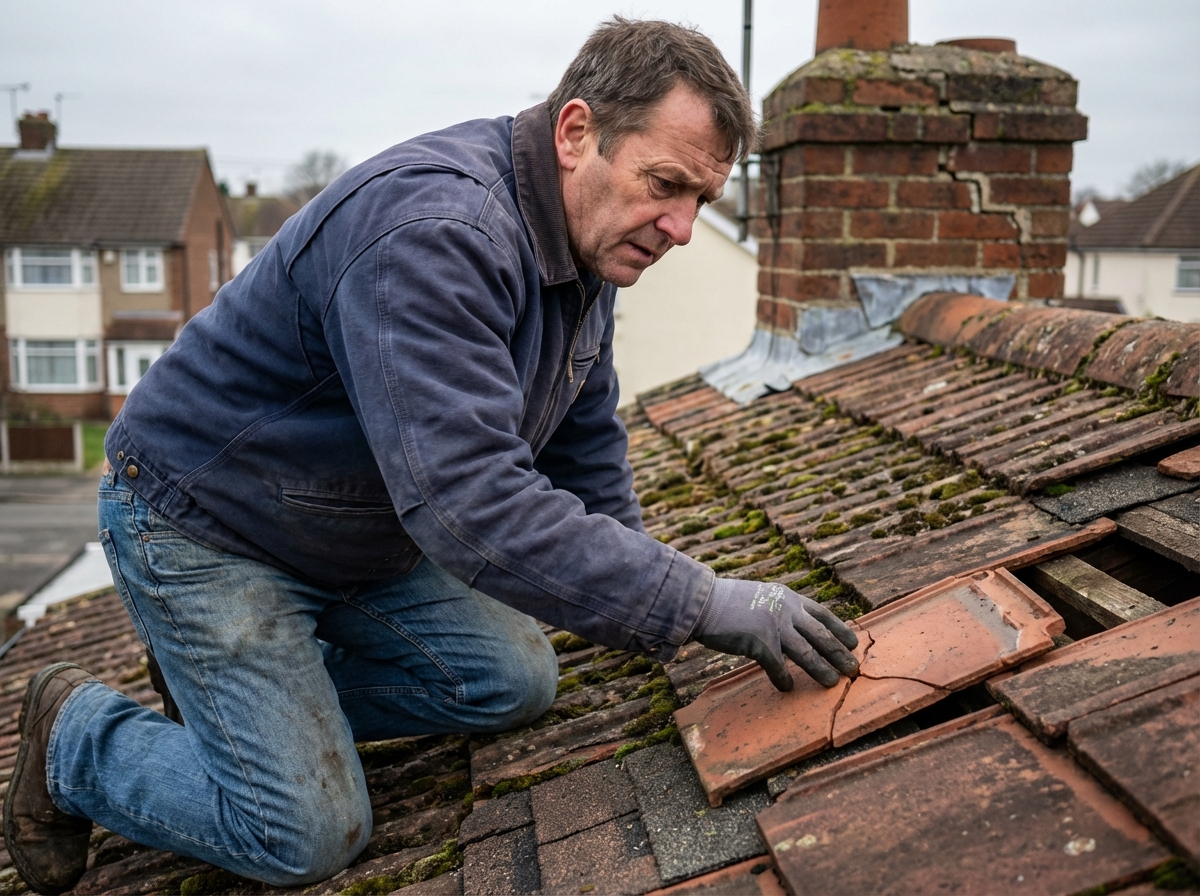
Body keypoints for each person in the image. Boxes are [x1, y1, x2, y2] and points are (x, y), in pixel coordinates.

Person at [3, 17, 859, 894]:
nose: (680, 227)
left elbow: (584, 439)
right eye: (666, 184)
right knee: (303, 832)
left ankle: (236, 708)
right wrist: (702, 602)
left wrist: (651, 605)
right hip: (209, 523)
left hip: (346, 528)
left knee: (514, 680)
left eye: (702, 202)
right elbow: (468, 503)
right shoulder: (437, 232)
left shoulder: (585, 244)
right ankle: (76, 735)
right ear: (576, 133)